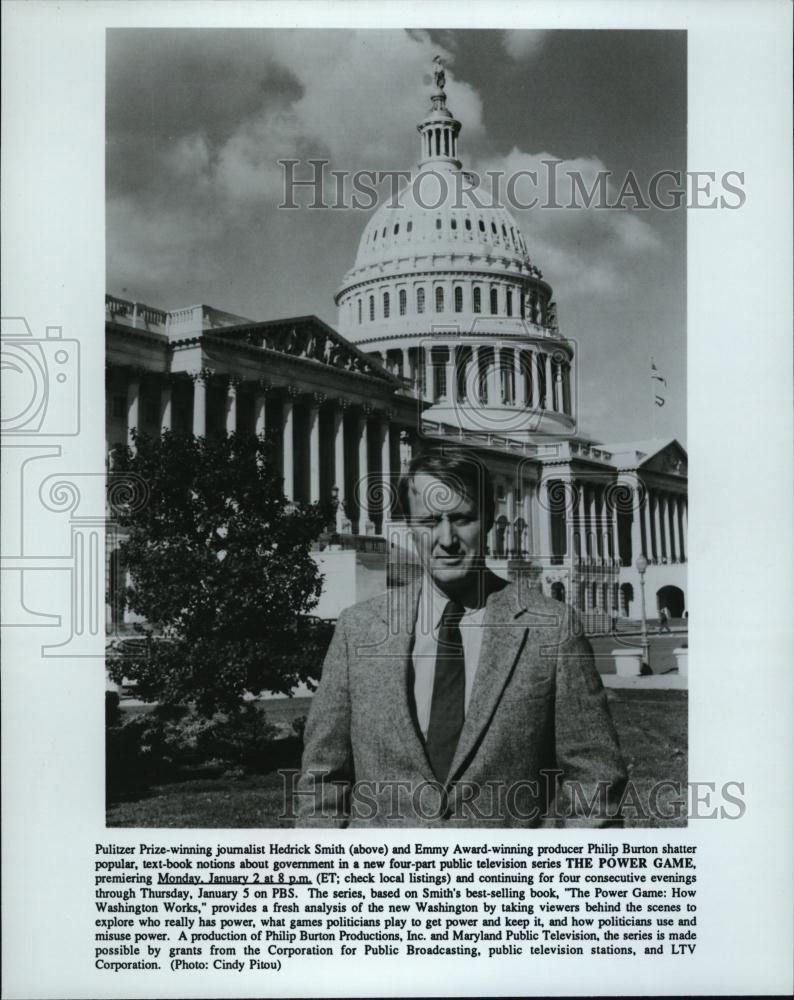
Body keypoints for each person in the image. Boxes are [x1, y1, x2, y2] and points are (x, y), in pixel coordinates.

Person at [295, 446, 627, 828]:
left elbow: (595, 780)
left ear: (488, 521)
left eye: (462, 519)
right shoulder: (358, 628)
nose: (447, 539)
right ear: (408, 526)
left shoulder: (551, 627)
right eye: (429, 521)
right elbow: (322, 781)